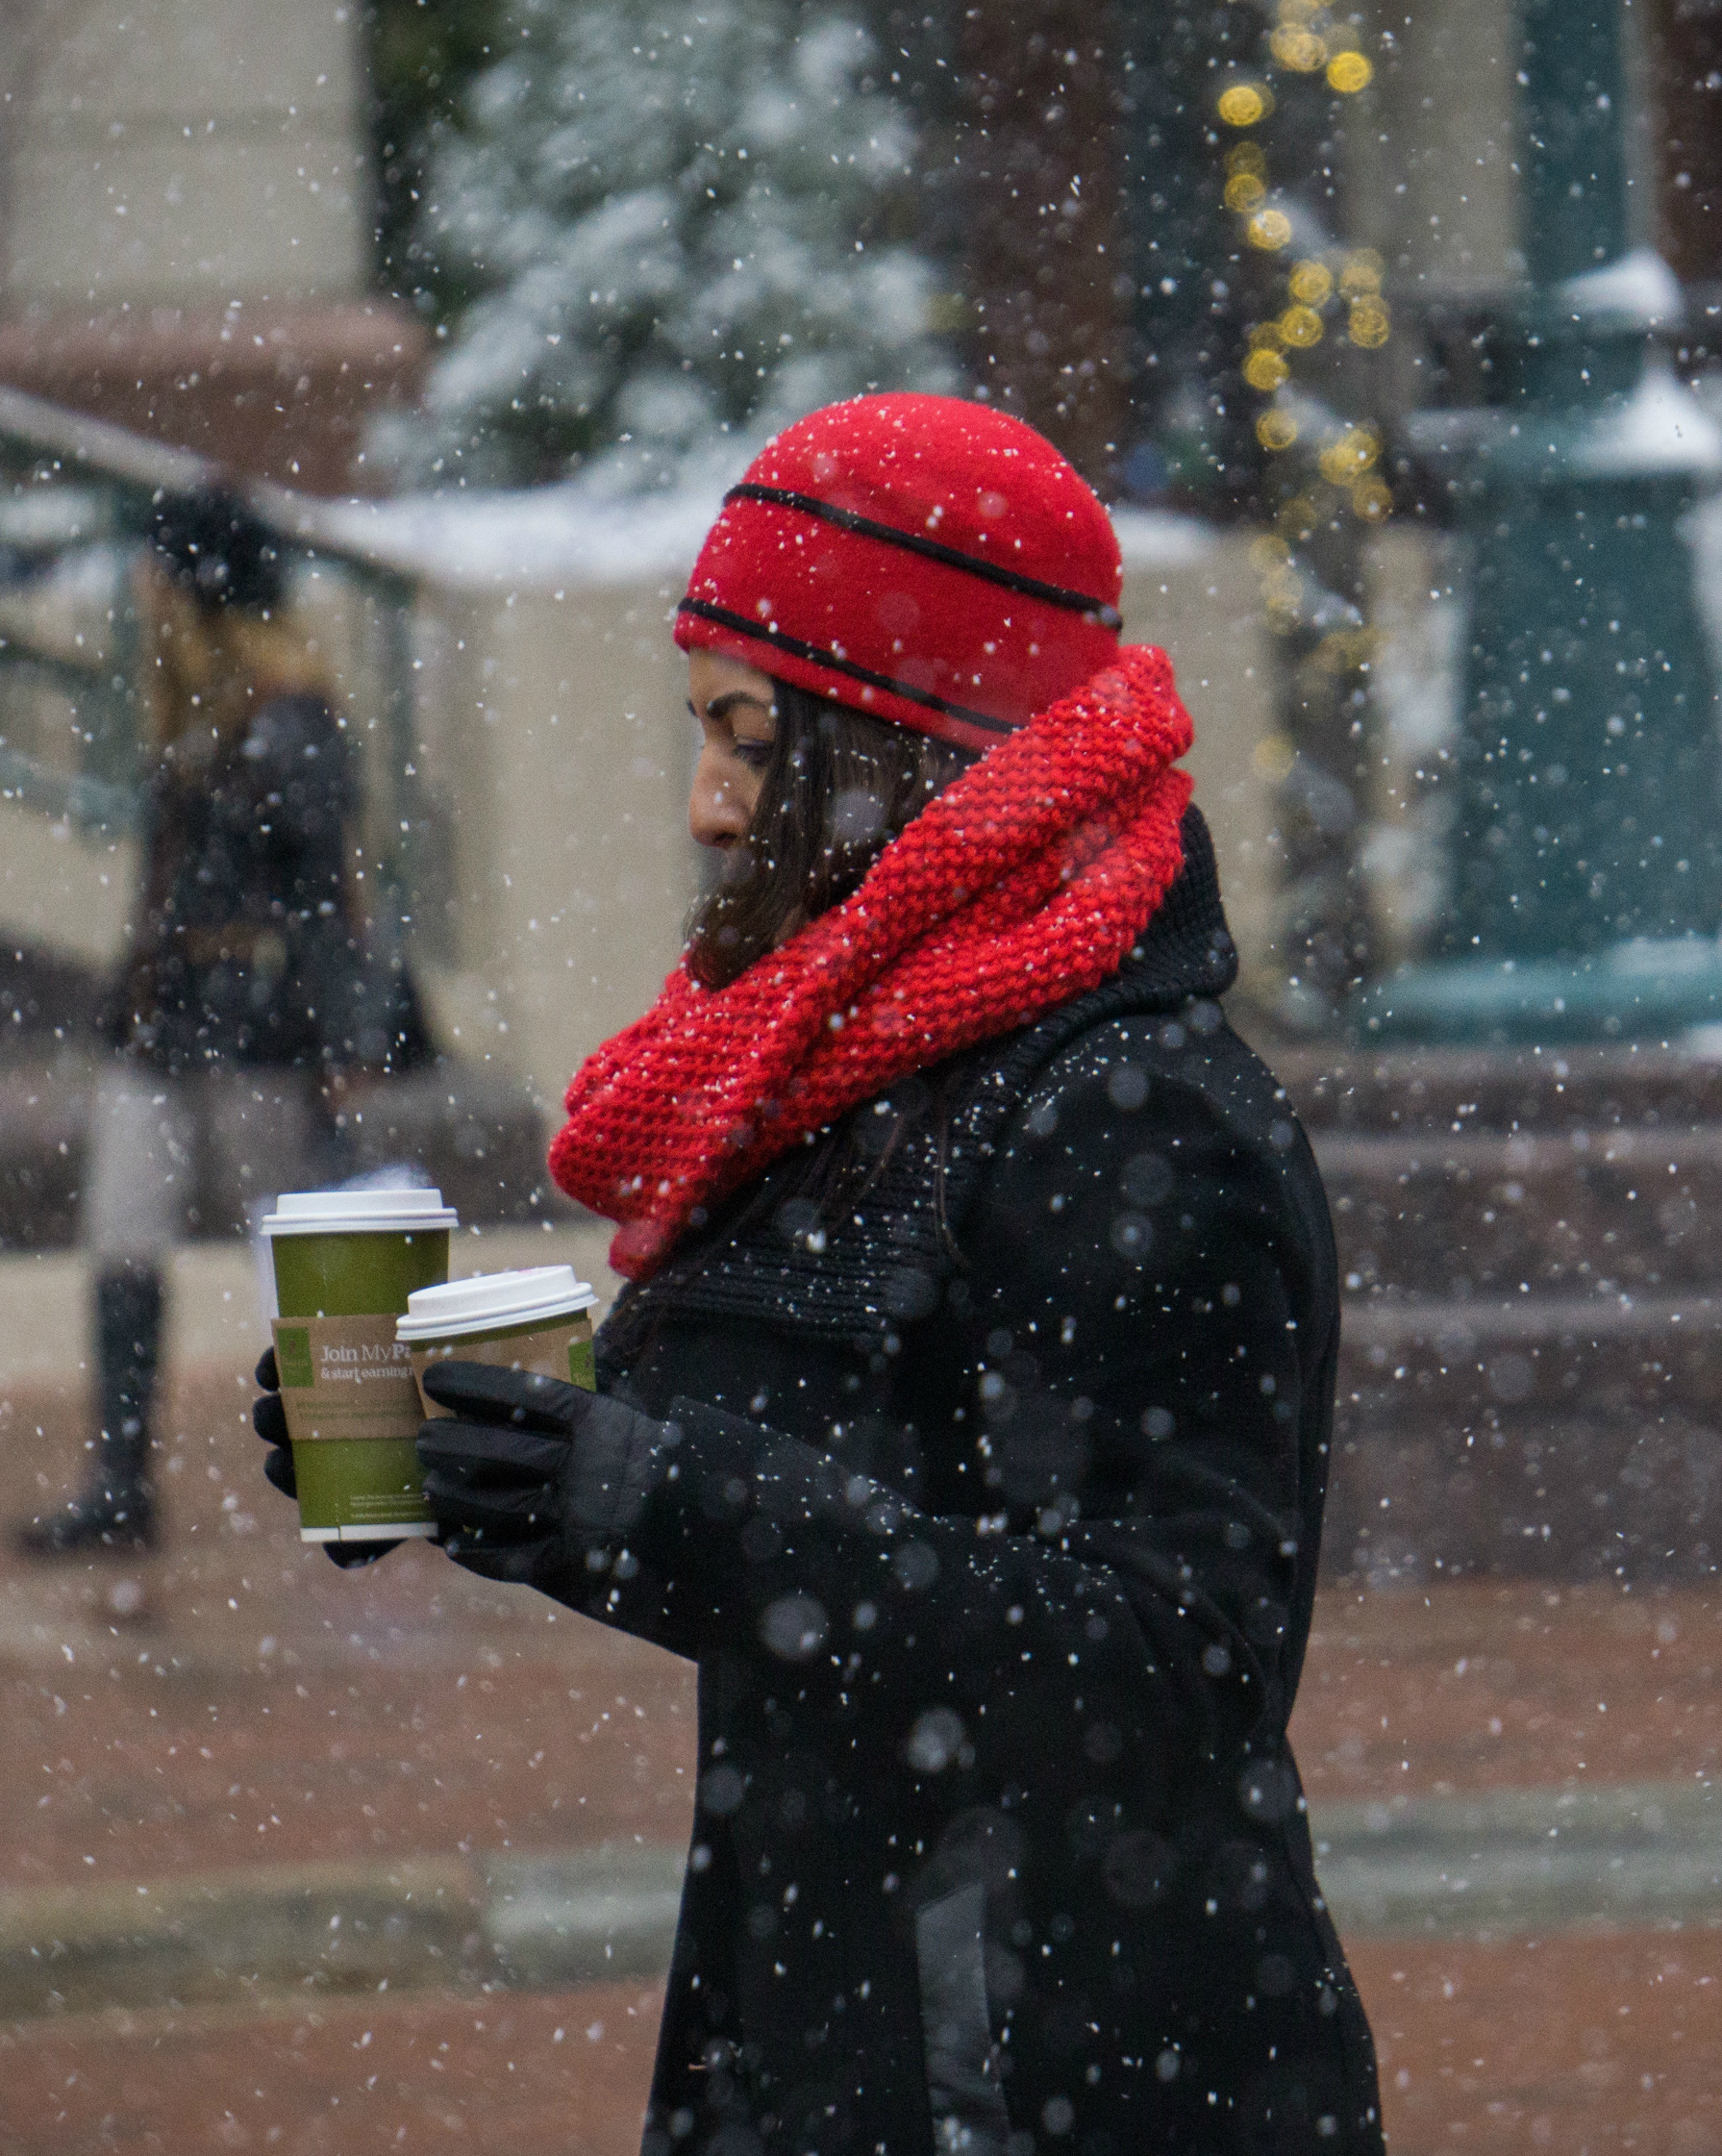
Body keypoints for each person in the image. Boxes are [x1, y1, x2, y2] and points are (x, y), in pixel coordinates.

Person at [255, 396, 1384, 2149]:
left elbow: (1179, 1664)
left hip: (1064, 2081)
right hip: (832, 2039)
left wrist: (657, 1498)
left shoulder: (1132, 1110)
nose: (710, 806)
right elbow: (771, 1471)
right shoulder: (867, 1076)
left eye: (752, 738)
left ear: (906, 741)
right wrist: (489, 1455)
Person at [26, 486, 412, 1556]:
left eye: (158, 578)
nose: (140, 599)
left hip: (259, 1025)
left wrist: (349, 1039)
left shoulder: (289, 721)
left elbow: (334, 896)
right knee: (122, 1238)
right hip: (162, 1019)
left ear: (199, 595)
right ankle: (118, 1483)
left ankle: (369, 1476)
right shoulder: (192, 720)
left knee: (305, 1251)